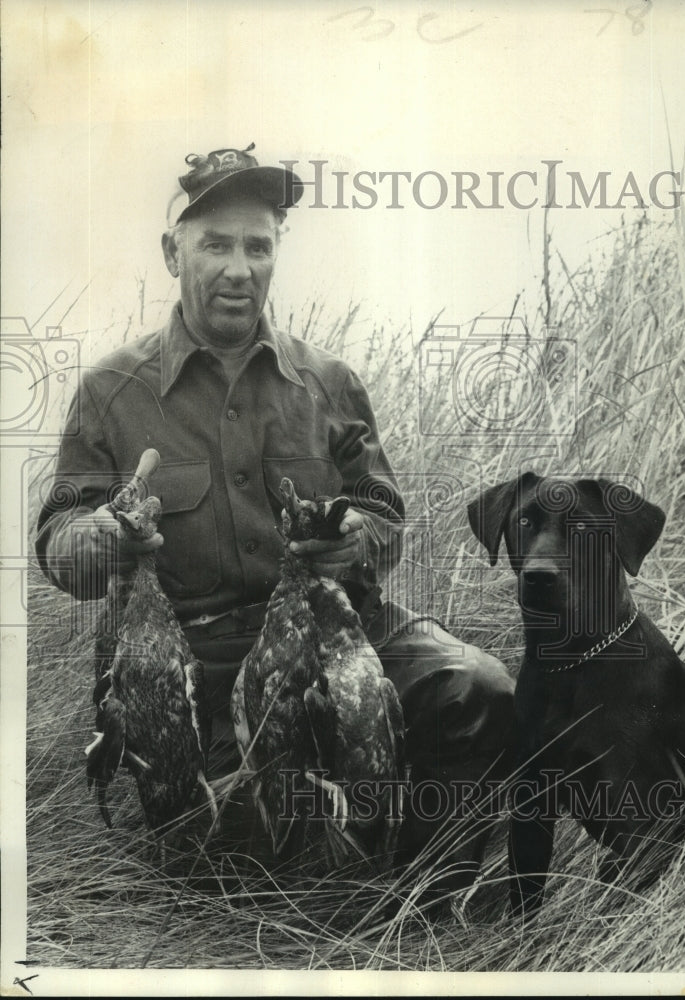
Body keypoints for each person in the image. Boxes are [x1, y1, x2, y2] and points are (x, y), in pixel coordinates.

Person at [36, 143, 516, 896]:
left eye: (257, 247)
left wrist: (352, 538)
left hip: (340, 624)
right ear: (173, 253)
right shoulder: (111, 392)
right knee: (242, 842)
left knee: (475, 688)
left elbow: (383, 511)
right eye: (215, 245)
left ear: (274, 255)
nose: (238, 268)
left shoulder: (329, 382)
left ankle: (431, 899)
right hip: (200, 652)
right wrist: (106, 536)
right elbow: (59, 545)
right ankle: (318, 856)